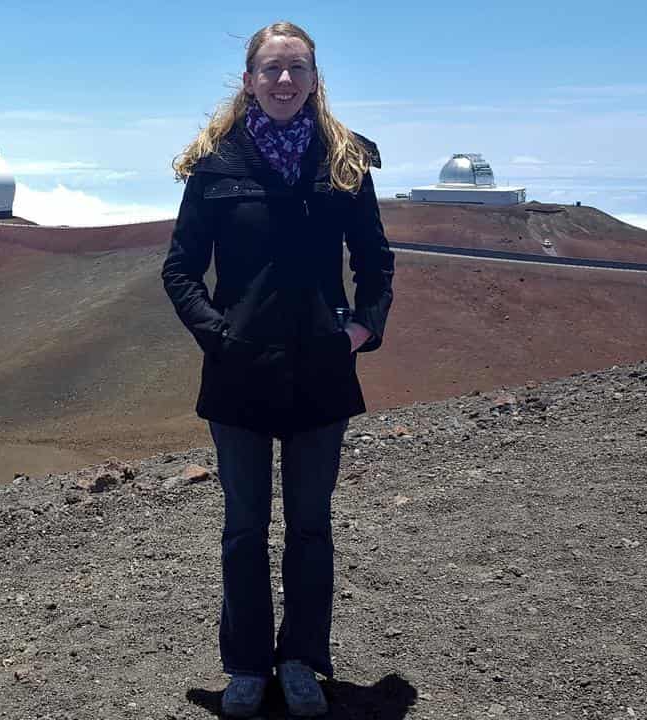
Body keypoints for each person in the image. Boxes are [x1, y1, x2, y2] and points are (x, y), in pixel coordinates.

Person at [161, 21, 395, 718]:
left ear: (316, 79)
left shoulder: (343, 163)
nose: (284, 81)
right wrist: (217, 334)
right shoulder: (216, 164)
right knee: (243, 528)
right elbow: (179, 269)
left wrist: (360, 329)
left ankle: (299, 661)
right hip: (238, 374)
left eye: (297, 69)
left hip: (321, 373)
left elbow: (376, 263)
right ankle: (245, 667)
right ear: (249, 80)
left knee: (311, 527)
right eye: (271, 70)